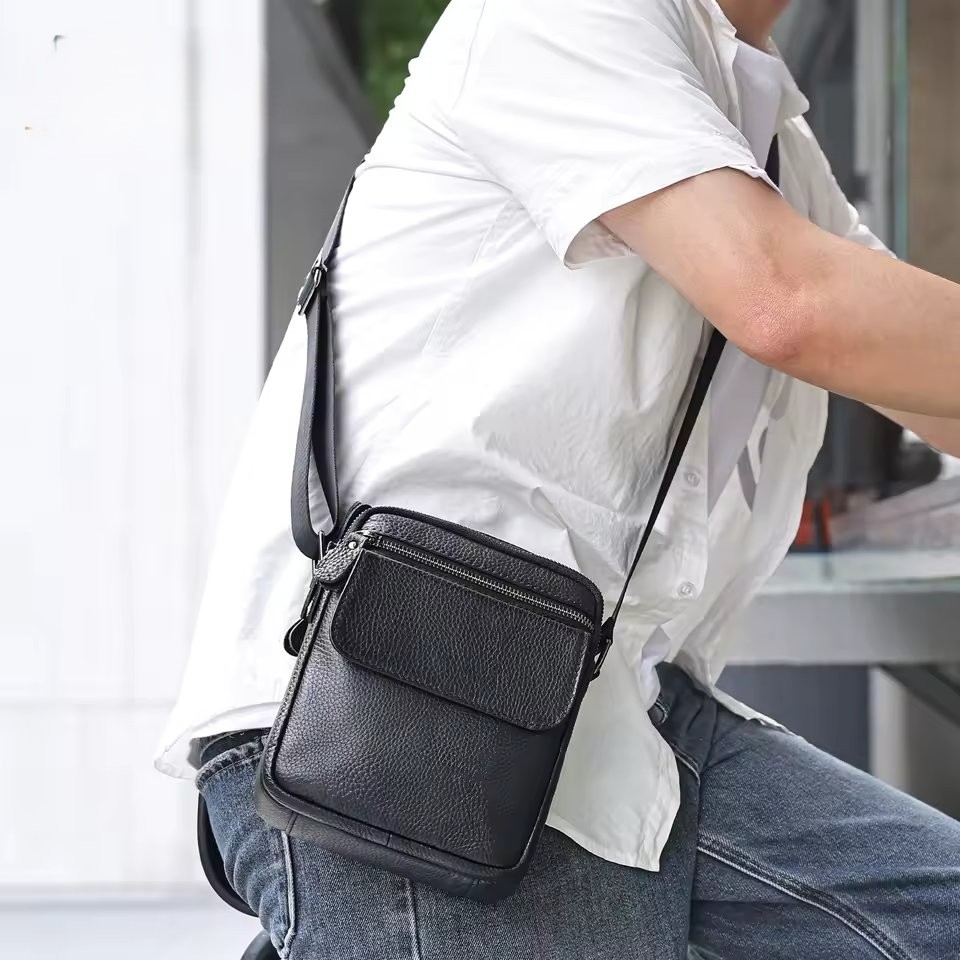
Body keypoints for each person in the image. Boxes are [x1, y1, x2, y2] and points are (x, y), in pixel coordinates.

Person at [156, 0, 960, 956]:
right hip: (407, 706)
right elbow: (786, 298)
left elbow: (908, 369)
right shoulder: (564, 15)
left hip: (616, 717)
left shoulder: (768, 136)